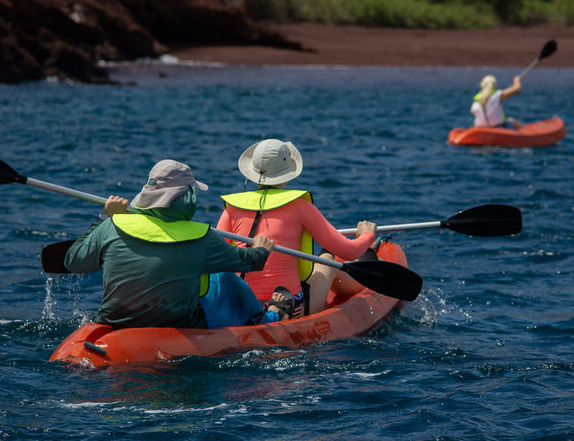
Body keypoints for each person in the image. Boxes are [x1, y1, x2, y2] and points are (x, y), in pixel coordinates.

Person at [64, 159, 275, 330]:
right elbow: (249, 263)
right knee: (224, 278)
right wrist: (262, 249)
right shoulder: (203, 238)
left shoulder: (112, 225)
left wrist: (104, 217)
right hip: (179, 327)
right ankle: (267, 320)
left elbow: (73, 262)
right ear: (184, 197)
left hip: (115, 324)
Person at [216, 139, 377, 319]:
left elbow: (216, 258)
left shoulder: (231, 209)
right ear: (288, 172)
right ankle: (369, 288)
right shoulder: (300, 206)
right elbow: (349, 250)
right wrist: (366, 235)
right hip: (289, 307)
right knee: (327, 259)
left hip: (239, 306)